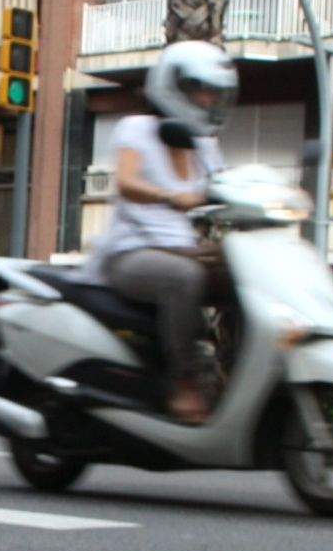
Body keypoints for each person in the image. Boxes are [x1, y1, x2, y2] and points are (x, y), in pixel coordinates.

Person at [86, 39, 235, 422]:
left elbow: (225, 188)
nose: (209, 99)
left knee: (249, 273)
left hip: (182, 247)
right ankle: (182, 384)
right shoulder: (137, 129)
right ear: (175, 88)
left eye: (215, 92)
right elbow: (127, 182)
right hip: (131, 254)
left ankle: (237, 375)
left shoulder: (204, 144)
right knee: (183, 278)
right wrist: (172, 196)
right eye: (201, 89)